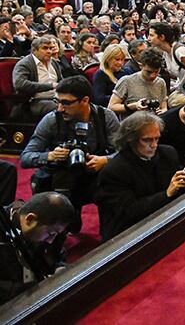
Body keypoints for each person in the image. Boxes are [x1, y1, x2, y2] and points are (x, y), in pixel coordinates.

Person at [20, 76, 120, 234]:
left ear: (85, 100)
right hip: (60, 180)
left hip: (93, 175)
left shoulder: (105, 117)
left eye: (66, 103)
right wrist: (50, 156)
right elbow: (25, 158)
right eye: (57, 101)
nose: (60, 108)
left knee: (116, 181)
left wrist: (105, 160)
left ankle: (110, 237)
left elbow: (122, 153)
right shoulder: (51, 120)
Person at [96, 112, 185, 240]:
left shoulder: (168, 153)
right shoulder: (114, 171)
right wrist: (166, 194)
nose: (154, 145)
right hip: (129, 236)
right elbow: (129, 212)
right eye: (147, 140)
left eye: (157, 139)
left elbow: (181, 188)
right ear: (130, 140)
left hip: (165, 222)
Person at [0, 192, 74, 304]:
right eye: (50, 234)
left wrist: (59, 267)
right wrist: (33, 288)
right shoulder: (3, 228)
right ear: (30, 220)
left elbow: (57, 255)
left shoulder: (48, 225)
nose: (51, 241)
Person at [109, 47, 168, 118]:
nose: (152, 76)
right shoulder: (126, 81)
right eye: (148, 72)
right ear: (141, 66)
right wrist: (134, 106)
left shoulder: (160, 82)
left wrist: (163, 110)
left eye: (156, 72)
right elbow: (111, 107)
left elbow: (163, 105)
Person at [13, 35, 63, 117]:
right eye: (45, 48)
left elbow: (61, 81)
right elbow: (20, 84)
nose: (49, 51)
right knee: (60, 108)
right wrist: (50, 86)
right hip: (33, 101)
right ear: (34, 50)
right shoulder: (24, 64)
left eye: (50, 48)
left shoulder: (54, 62)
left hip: (56, 98)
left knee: (77, 104)